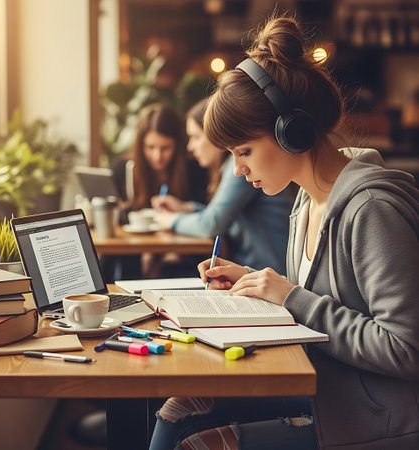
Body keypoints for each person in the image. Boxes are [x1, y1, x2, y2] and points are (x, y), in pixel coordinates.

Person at [149, 16, 419, 450]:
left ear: (291, 132)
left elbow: (407, 349)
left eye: (244, 152)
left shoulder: (371, 210)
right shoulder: (306, 200)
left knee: (188, 441)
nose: (237, 169)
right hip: (325, 393)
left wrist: (291, 296)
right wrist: (254, 281)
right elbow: (324, 301)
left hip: (372, 422)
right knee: (178, 408)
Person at [151, 98, 294, 273]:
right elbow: (223, 218)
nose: (190, 147)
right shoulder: (235, 166)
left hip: (269, 273)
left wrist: (170, 220)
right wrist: (188, 208)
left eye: (196, 137)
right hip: (254, 272)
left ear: (215, 135)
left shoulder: (245, 170)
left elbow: (211, 224)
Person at [106, 104, 208, 280]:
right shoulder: (122, 169)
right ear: (140, 145)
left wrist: (163, 253)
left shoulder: (194, 169)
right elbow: (114, 215)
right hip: (132, 255)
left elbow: (203, 213)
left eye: (165, 148)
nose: (157, 156)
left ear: (178, 145)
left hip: (180, 257)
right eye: (150, 147)